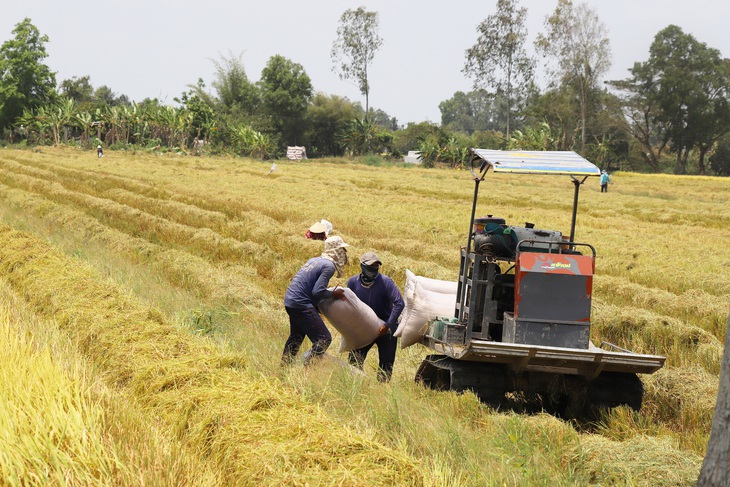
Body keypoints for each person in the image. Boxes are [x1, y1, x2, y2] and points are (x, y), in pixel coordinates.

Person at [282, 235, 350, 365]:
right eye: (342, 249)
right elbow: (317, 291)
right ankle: (303, 367)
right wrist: (333, 294)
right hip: (301, 303)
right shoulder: (329, 266)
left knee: (296, 337)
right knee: (324, 339)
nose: (345, 253)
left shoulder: (314, 260)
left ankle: (284, 368)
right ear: (336, 250)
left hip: (291, 301)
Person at [346, 251, 405, 382]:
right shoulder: (353, 283)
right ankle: (355, 384)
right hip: (364, 328)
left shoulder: (385, 282)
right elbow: (348, 304)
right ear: (362, 266)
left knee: (386, 363)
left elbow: (399, 303)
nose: (373, 270)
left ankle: (382, 389)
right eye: (370, 267)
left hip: (386, 328)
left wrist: (388, 324)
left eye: (376, 267)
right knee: (355, 360)